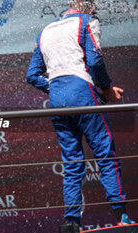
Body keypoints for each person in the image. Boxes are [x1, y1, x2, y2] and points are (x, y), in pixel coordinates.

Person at [26, 0, 136, 231]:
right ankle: (122, 217)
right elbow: (95, 61)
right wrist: (105, 89)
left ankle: (72, 222)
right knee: (106, 156)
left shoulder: (45, 30)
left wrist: (57, 89)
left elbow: (32, 75)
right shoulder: (88, 21)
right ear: (90, 8)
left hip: (57, 99)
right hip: (83, 92)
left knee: (73, 162)